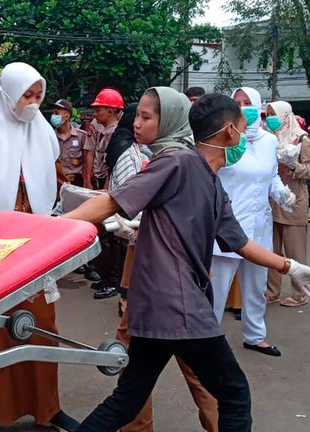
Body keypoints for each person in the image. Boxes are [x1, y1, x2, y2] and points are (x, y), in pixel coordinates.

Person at [66, 91, 310, 432]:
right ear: (230, 133)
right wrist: (57, 228)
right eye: (241, 124)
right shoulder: (179, 162)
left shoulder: (211, 182)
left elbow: (241, 243)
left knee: (126, 401)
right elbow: (112, 202)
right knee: (234, 394)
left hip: (157, 305)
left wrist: (289, 267)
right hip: (179, 305)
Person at [0, 62, 78, 432]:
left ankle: (48, 408)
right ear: (8, 92)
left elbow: (59, 180)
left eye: (38, 95)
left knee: (41, 325)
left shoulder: (42, 132)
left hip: (38, 244)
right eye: (26, 94)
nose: (33, 102)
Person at [104, 92, 218, 432]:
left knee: (190, 367)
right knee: (137, 364)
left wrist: (67, 226)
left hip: (168, 284)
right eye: (136, 116)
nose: (137, 124)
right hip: (154, 278)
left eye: (147, 117)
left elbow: (192, 225)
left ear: (168, 119)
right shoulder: (167, 156)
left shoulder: (176, 161)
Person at [209, 87, 297, 357]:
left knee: (256, 286)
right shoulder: (224, 138)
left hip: (260, 224)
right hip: (228, 225)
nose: (242, 106)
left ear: (258, 106)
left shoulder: (270, 142)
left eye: (247, 102)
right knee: (217, 288)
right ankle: (207, 341)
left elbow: (270, 177)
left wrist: (281, 192)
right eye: (236, 102)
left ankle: (255, 335)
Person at [265, 101, 310, 307]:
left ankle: (299, 294)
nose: (270, 118)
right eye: (267, 114)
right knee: (271, 254)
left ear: (285, 115)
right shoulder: (269, 139)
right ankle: (272, 292)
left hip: (294, 204)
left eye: (273, 114)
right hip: (272, 204)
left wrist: (294, 165)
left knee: (295, 253)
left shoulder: (302, 140)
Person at [84, 88, 124, 189]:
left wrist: (106, 187)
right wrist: (88, 179)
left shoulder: (116, 133)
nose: (95, 114)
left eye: (98, 110)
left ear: (110, 112)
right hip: (98, 178)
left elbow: (111, 165)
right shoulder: (100, 128)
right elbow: (91, 152)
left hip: (108, 181)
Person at [51, 98, 88, 187]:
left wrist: (87, 181)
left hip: (77, 182)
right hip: (56, 182)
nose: (53, 116)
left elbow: (87, 161)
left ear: (67, 116)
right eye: (52, 113)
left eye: (56, 113)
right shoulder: (50, 137)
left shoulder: (81, 136)